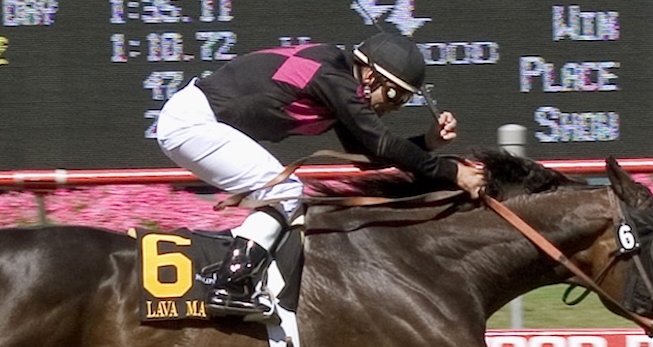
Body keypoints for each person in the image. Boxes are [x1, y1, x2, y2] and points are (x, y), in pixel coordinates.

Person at [155, 33, 486, 319]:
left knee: (286, 195)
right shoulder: (334, 78)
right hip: (192, 123)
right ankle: (231, 283)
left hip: (195, 120)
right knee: (286, 193)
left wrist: (427, 143)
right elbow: (382, 143)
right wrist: (452, 171)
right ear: (370, 76)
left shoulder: (340, 81)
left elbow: (368, 158)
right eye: (394, 95)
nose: (395, 107)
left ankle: (239, 279)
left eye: (404, 100)